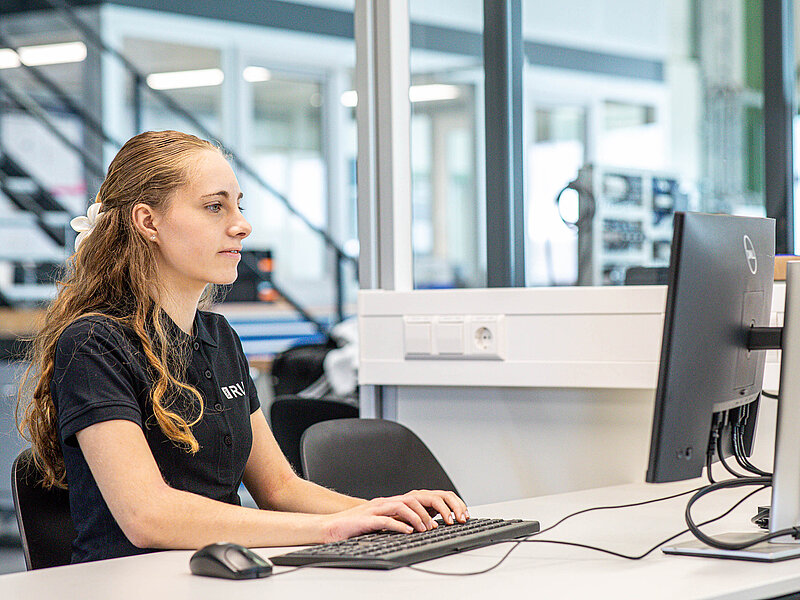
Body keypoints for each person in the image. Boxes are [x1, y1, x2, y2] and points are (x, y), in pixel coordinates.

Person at [17, 130, 468, 563]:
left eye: (238, 206)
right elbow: (148, 517)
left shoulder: (219, 338)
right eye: (215, 207)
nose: (242, 226)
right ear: (148, 221)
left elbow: (279, 489)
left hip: (223, 572)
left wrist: (379, 512)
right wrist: (330, 529)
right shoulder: (95, 344)